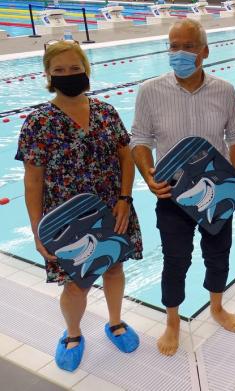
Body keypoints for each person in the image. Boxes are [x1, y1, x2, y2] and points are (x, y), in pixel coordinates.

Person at [16, 40, 142, 372]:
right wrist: (37, 228)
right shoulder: (38, 123)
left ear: (86, 70)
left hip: (111, 209)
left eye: (75, 69)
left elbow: (125, 156)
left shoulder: (106, 112)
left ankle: (115, 323)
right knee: (76, 282)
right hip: (66, 219)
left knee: (114, 268)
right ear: (48, 75)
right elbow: (32, 180)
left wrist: (125, 199)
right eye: (59, 70)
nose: (68, 75)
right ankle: (73, 334)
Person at [130, 19, 235, 356]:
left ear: (205, 51)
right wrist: (148, 175)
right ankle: (172, 320)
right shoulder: (150, 91)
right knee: (176, 259)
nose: (179, 53)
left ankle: (216, 306)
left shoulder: (224, 90)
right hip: (172, 193)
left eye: (188, 46)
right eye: (173, 45)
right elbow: (140, 138)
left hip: (218, 189)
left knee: (218, 254)